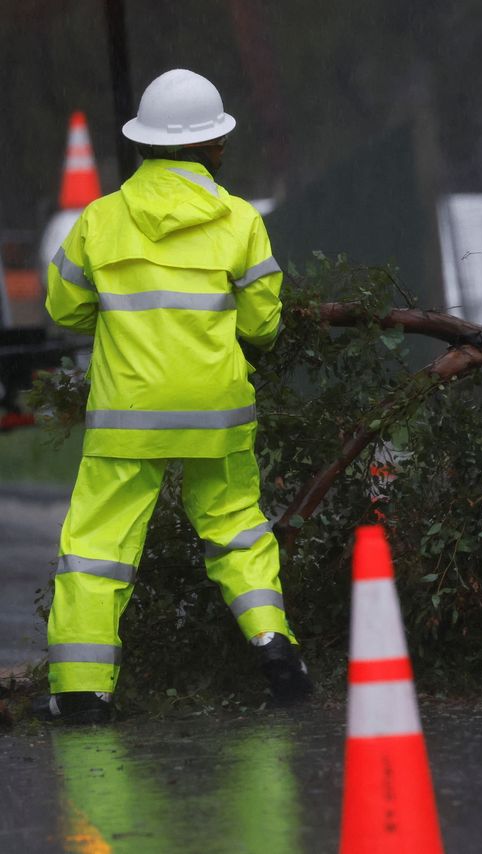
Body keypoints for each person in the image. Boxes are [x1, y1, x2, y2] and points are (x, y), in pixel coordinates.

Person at [37, 69, 311, 722]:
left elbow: (63, 308)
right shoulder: (242, 222)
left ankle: (81, 690)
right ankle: (275, 649)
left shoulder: (98, 222)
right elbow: (261, 326)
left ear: (143, 145)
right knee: (238, 528)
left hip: (128, 418)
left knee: (98, 546)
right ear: (213, 147)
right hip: (217, 411)